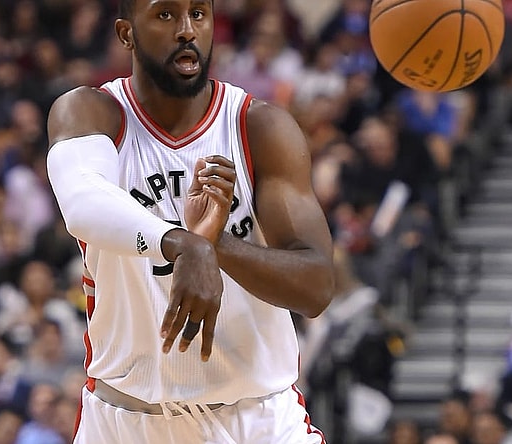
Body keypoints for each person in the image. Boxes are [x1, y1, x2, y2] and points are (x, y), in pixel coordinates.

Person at [44, 0, 334, 443]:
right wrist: (183, 243)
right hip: (127, 421)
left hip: (255, 421)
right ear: (126, 34)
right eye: (165, 15)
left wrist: (218, 246)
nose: (186, 30)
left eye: (199, 14)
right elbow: (81, 202)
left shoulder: (259, 128)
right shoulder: (92, 113)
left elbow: (315, 287)